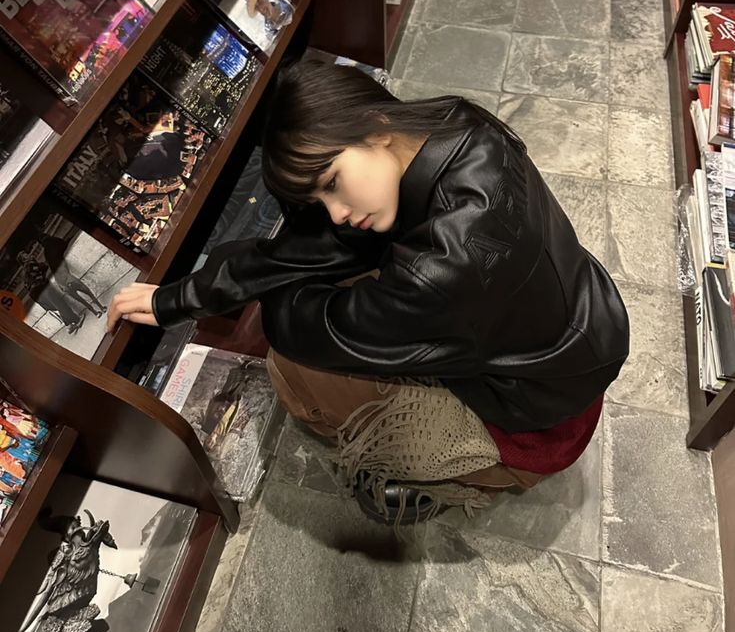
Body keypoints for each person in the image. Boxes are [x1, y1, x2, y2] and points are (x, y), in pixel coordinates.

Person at [108, 60, 629, 525]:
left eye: (330, 182)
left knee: (293, 375)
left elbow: (313, 329)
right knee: (349, 265)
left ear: (376, 129)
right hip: (578, 331)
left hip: (537, 415)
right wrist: (179, 297)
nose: (334, 209)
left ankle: (479, 477)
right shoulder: (456, 125)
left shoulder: (443, 270)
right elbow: (333, 241)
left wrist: (268, 295)